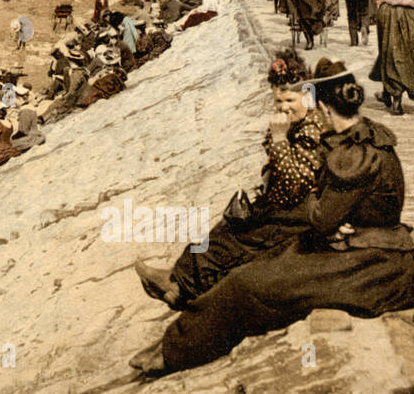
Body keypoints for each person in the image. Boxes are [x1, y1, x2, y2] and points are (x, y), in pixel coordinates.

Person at [131, 59, 414, 377]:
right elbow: (334, 208)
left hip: (370, 264)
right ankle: (181, 324)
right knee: (253, 265)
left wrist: (325, 211)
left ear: (323, 107)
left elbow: (321, 215)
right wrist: (333, 217)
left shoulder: (356, 155)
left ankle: (176, 351)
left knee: (247, 283)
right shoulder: (365, 137)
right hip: (360, 250)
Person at [135, 50, 326, 310]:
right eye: (278, 102)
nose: (283, 107)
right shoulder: (299, 122)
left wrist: (280, 139)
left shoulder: (312, 129)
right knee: (222, 230)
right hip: (282, 205)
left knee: (233, 242)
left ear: (307, 95)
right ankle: (177, 281)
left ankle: (180, 287)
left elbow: (296, 183)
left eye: (290, 100)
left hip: (297, 213)